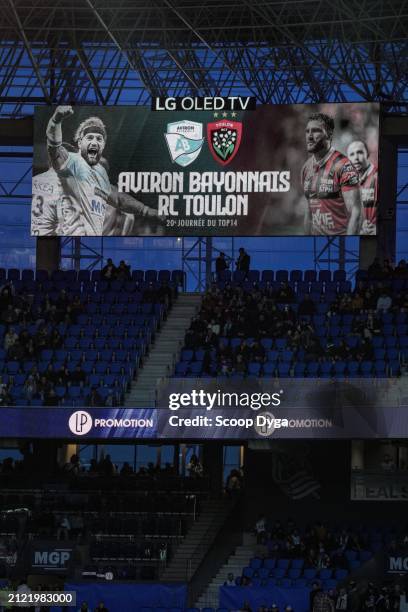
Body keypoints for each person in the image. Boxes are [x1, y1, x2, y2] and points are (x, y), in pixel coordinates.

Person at [45, 105, 161, 235]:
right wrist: (56, 121)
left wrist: (146, 210)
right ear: (79, 142)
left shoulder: (98, 175)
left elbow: (117, 198)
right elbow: (53, 146)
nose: (94, 142)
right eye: (90, 138)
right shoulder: (68, 163)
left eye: (98, 139)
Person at [301, 113, 361, 235]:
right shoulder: (306, 168)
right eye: (307, 131)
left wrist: (347, 247)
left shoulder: (344, 166)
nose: (310, 136)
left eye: (316, 131)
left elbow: (355, 213)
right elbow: (309, 213)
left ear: (329, 134)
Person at [347, 140, 378, 235]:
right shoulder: (355, 181)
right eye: (352, 154)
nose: (356, 158)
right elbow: (356, 215)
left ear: (367, 154)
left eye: (360, 152)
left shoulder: (377, 176)